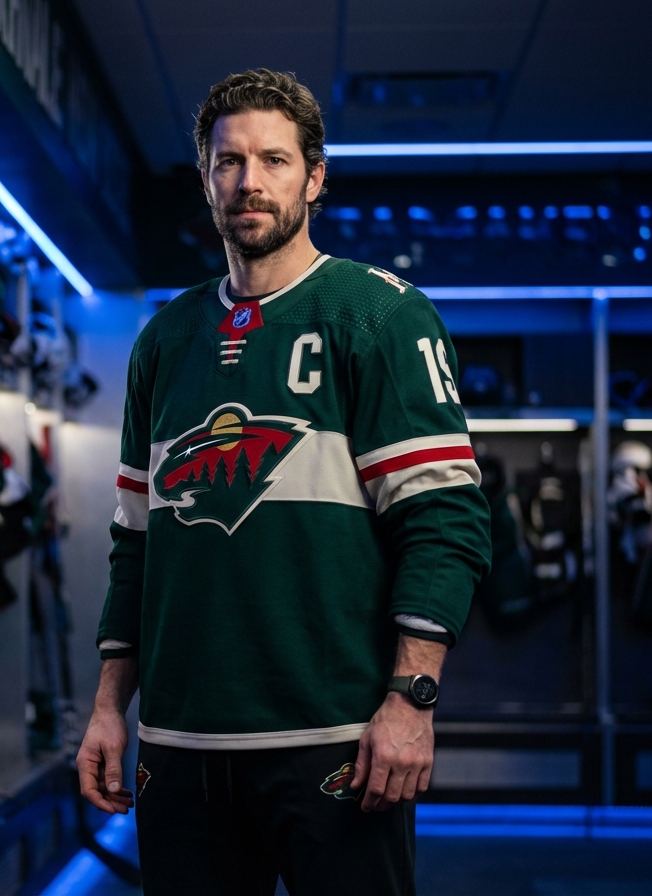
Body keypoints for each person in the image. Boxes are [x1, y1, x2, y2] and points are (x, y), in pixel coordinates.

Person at [76, 69, 491, 895]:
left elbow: (445, 523)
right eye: (229, 163)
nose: (250, 182)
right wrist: (106, 707)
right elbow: (136, 542)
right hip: (181, 746)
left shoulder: (377, 315)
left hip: (335, 741)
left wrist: (412, 701)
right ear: (205, 180)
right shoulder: (164, 338)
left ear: (315, 176)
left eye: (274, 160)